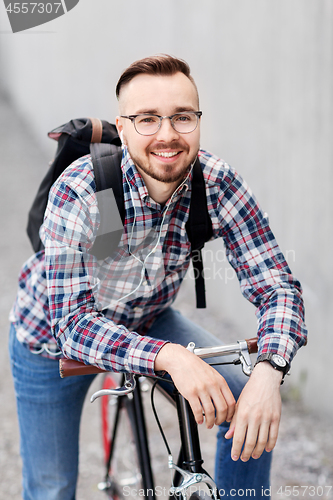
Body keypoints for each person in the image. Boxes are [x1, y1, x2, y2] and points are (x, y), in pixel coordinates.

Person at [9, 54, 307, 500]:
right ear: (122, 126)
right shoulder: (83, 188)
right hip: (52, 341)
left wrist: (270, 370)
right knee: (51, 489)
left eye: (182, 117)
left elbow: (278, 286)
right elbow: (71, 325)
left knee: (248, 399)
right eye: (147, 119)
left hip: (147, 315)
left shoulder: (216, 183)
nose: (167, 135)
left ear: (198, 121)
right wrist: (171, 357)